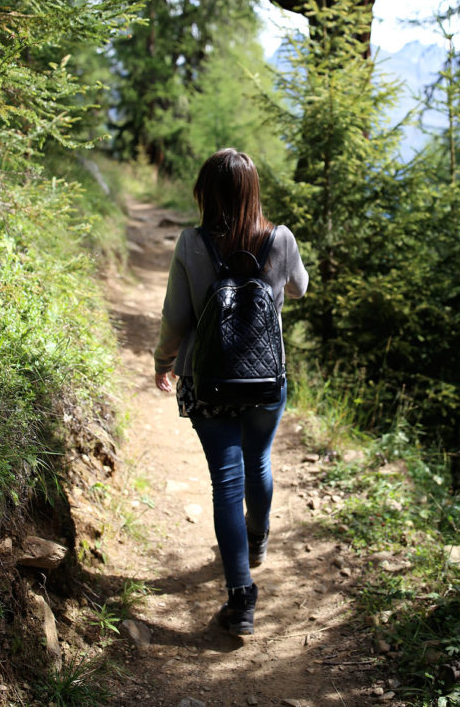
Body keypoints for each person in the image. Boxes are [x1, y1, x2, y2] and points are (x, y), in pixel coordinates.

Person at [153, 148, 308, 636]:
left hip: (209, 380)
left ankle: (241, 599)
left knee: (227, 481)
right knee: (258, 459)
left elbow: (175, 316)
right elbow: (300, 288)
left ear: (206, 192)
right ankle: (258, 536)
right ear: (252, 191)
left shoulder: (191, 242)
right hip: (266, 379)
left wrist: (164, 361)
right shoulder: (279, 239)